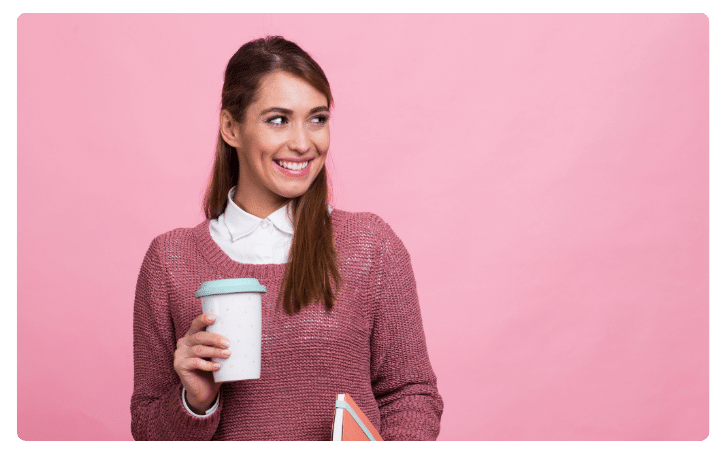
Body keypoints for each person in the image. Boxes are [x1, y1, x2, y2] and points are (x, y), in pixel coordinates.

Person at [131, 36, 443, 441]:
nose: (302, 142)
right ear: (231, 127)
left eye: (317, 118)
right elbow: (147, 430)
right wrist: (196, 401)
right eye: (278, 119)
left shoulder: (371, 246)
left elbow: (410, 394)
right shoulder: (170, 260)